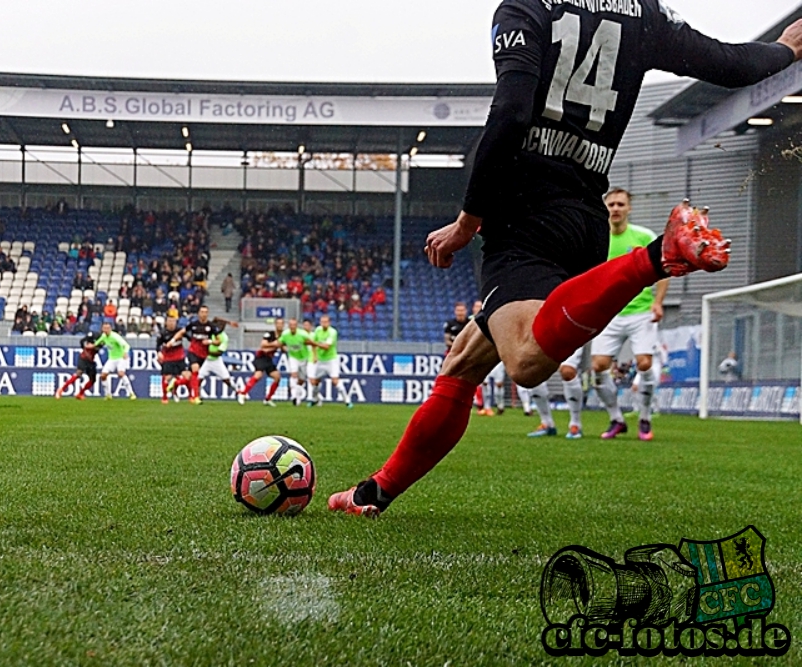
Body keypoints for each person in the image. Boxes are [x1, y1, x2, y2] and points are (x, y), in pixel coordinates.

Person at [328, 0, 802, 517]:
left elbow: (510, 113)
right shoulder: (641, 14)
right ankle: (374, 494)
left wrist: (468, 220)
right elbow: (729, 64)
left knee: (527, 362)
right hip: (584, 220)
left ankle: (656, 256)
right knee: (463, 363)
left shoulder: (527, 7)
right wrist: (783, 50)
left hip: (525, 216)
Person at [591, 189, 669, 441]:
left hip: (641, 312)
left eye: (620, 204)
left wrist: (658, 302)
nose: (615, 208)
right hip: (609, 313)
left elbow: (663, 269)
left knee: (645, 363)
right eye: (611, 204)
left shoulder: (644, 236)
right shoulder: (598, 238)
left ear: (628, 208)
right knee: (598, 366)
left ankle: (644, 418)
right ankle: (616, 419)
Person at [308, 315, 352, 408]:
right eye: (322, 322)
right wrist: (315, 356)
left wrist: (313, 343)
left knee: (335, 381)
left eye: (326, 322)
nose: (324, 324)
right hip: (320, 360)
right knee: (315, 381)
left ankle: (347, 400)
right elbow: (313, 345)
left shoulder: (332, 332)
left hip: (331, 360)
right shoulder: (317, 330)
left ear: (329, 323)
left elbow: (326, 346)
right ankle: (314, 399)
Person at [240, 317, 284, 406]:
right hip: (261, 357)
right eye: (278, 323)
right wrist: (275, 344)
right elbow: (263, 345)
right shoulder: (269, 334)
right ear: (275, 324)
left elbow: (283, 348)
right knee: (258, 375)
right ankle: (242, 394)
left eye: (281, 323)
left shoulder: (283, 336)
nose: (280, 325)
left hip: (269, 359)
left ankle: (268, 399)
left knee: (277, 377)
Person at [94, 322, 137, 400]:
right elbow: (96, 343)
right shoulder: (103, 336)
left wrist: (125, 352)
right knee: (103, 375)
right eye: (105, 328)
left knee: (121, 374)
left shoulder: (115, 336)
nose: (106, 330)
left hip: (121, 358)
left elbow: (126, 345)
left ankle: (131, 393)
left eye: (108, 328)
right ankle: (108, 395)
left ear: (110, 329)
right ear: (102, 329)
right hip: (112, 359)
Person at [197, 320, 239, 399]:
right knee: (199, 377)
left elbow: (219, 353)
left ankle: (238, 391)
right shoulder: (211, 332)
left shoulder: (224, 338)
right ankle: (198, 395)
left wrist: (206, 350)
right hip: (206, 360)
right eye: (217, 326)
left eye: (221, 327)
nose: (218, 328)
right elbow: (216, 318)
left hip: (216, 360)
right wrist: (229, 322)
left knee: (226, 379)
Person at [55, 333, 101, 400]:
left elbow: (97, 348)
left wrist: (94, 346)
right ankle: (61, 389)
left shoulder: (103, 340)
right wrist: (85, 347)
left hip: (91, 361)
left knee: (93, 380)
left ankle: (80, 393)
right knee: (79, 373)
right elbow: (82, 341)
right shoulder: (94, 335)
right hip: (83, 358)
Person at [279, 318, 313, 406]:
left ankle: (298, 397)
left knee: (301, 380)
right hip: (293, 357)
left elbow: (312, 343)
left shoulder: (303, 334)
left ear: (297, 326)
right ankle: (294, 396)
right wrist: (284, 349)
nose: (292, 327)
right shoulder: (285, 334)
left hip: (304, 358)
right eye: (291, 325)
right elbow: (280, 343)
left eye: (294, 325)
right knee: (293, 374)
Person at [157, 315, 190, 404]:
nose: (171, 323)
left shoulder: (180, 331)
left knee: (187, 377)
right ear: (166, 322)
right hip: (168, 358)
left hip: (180, 358)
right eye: (169, 321)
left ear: (176, 322)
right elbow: (158, 346)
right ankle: (164, 397)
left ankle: (190, 395)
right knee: (166, 378)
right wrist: (159, 352)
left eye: (173, 321)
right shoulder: (162, 333)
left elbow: (190, 338)